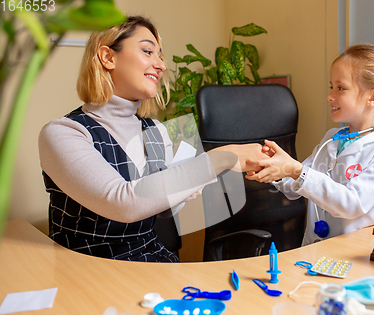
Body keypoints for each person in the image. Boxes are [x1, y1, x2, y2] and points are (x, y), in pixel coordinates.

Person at [38, 16, 268, 262]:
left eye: (160, 56)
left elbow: (164, 211)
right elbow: (123, 203)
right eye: (148, 51)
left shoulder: (156, 130)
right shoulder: (63, 133)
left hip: (152, 259)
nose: (161, 65)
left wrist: (190, 183)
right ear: (108, 57)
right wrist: (219, 159)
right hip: (89, 268)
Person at [246, 43, 374, 246]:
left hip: (357, 258)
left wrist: (296, 170)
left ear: (373, 97)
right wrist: (275, 166)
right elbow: (297, 187)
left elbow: (352, 204)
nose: (330, 96)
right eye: (331, 86)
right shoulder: (332, 138)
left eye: (340, 88)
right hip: (316, 250)